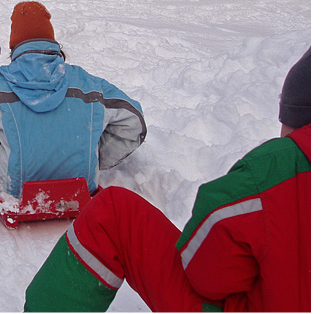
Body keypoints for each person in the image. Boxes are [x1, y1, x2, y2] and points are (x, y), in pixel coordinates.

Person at [24, 48, 309, 312]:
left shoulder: (279, 169)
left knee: (113, 213)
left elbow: (206, 273)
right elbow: (132, 119)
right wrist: (99, 157)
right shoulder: (83, 80)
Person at [0, 1, 146, 197]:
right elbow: (134, 123)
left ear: (15, 46)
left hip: (14, 187)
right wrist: (92, 153)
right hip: (80, 183)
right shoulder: (89, 85)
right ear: (52, 43)